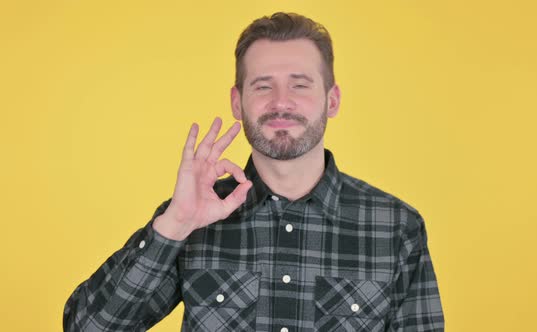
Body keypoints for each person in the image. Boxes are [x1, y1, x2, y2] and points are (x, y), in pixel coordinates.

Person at [63, 12, 444, 332]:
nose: (281, 102)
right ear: (237, 101)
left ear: (332, 100)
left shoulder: (396, 226)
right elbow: (88, 326)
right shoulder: (193, 218)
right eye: (263, 86)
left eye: (300, 84)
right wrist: (174, 223)